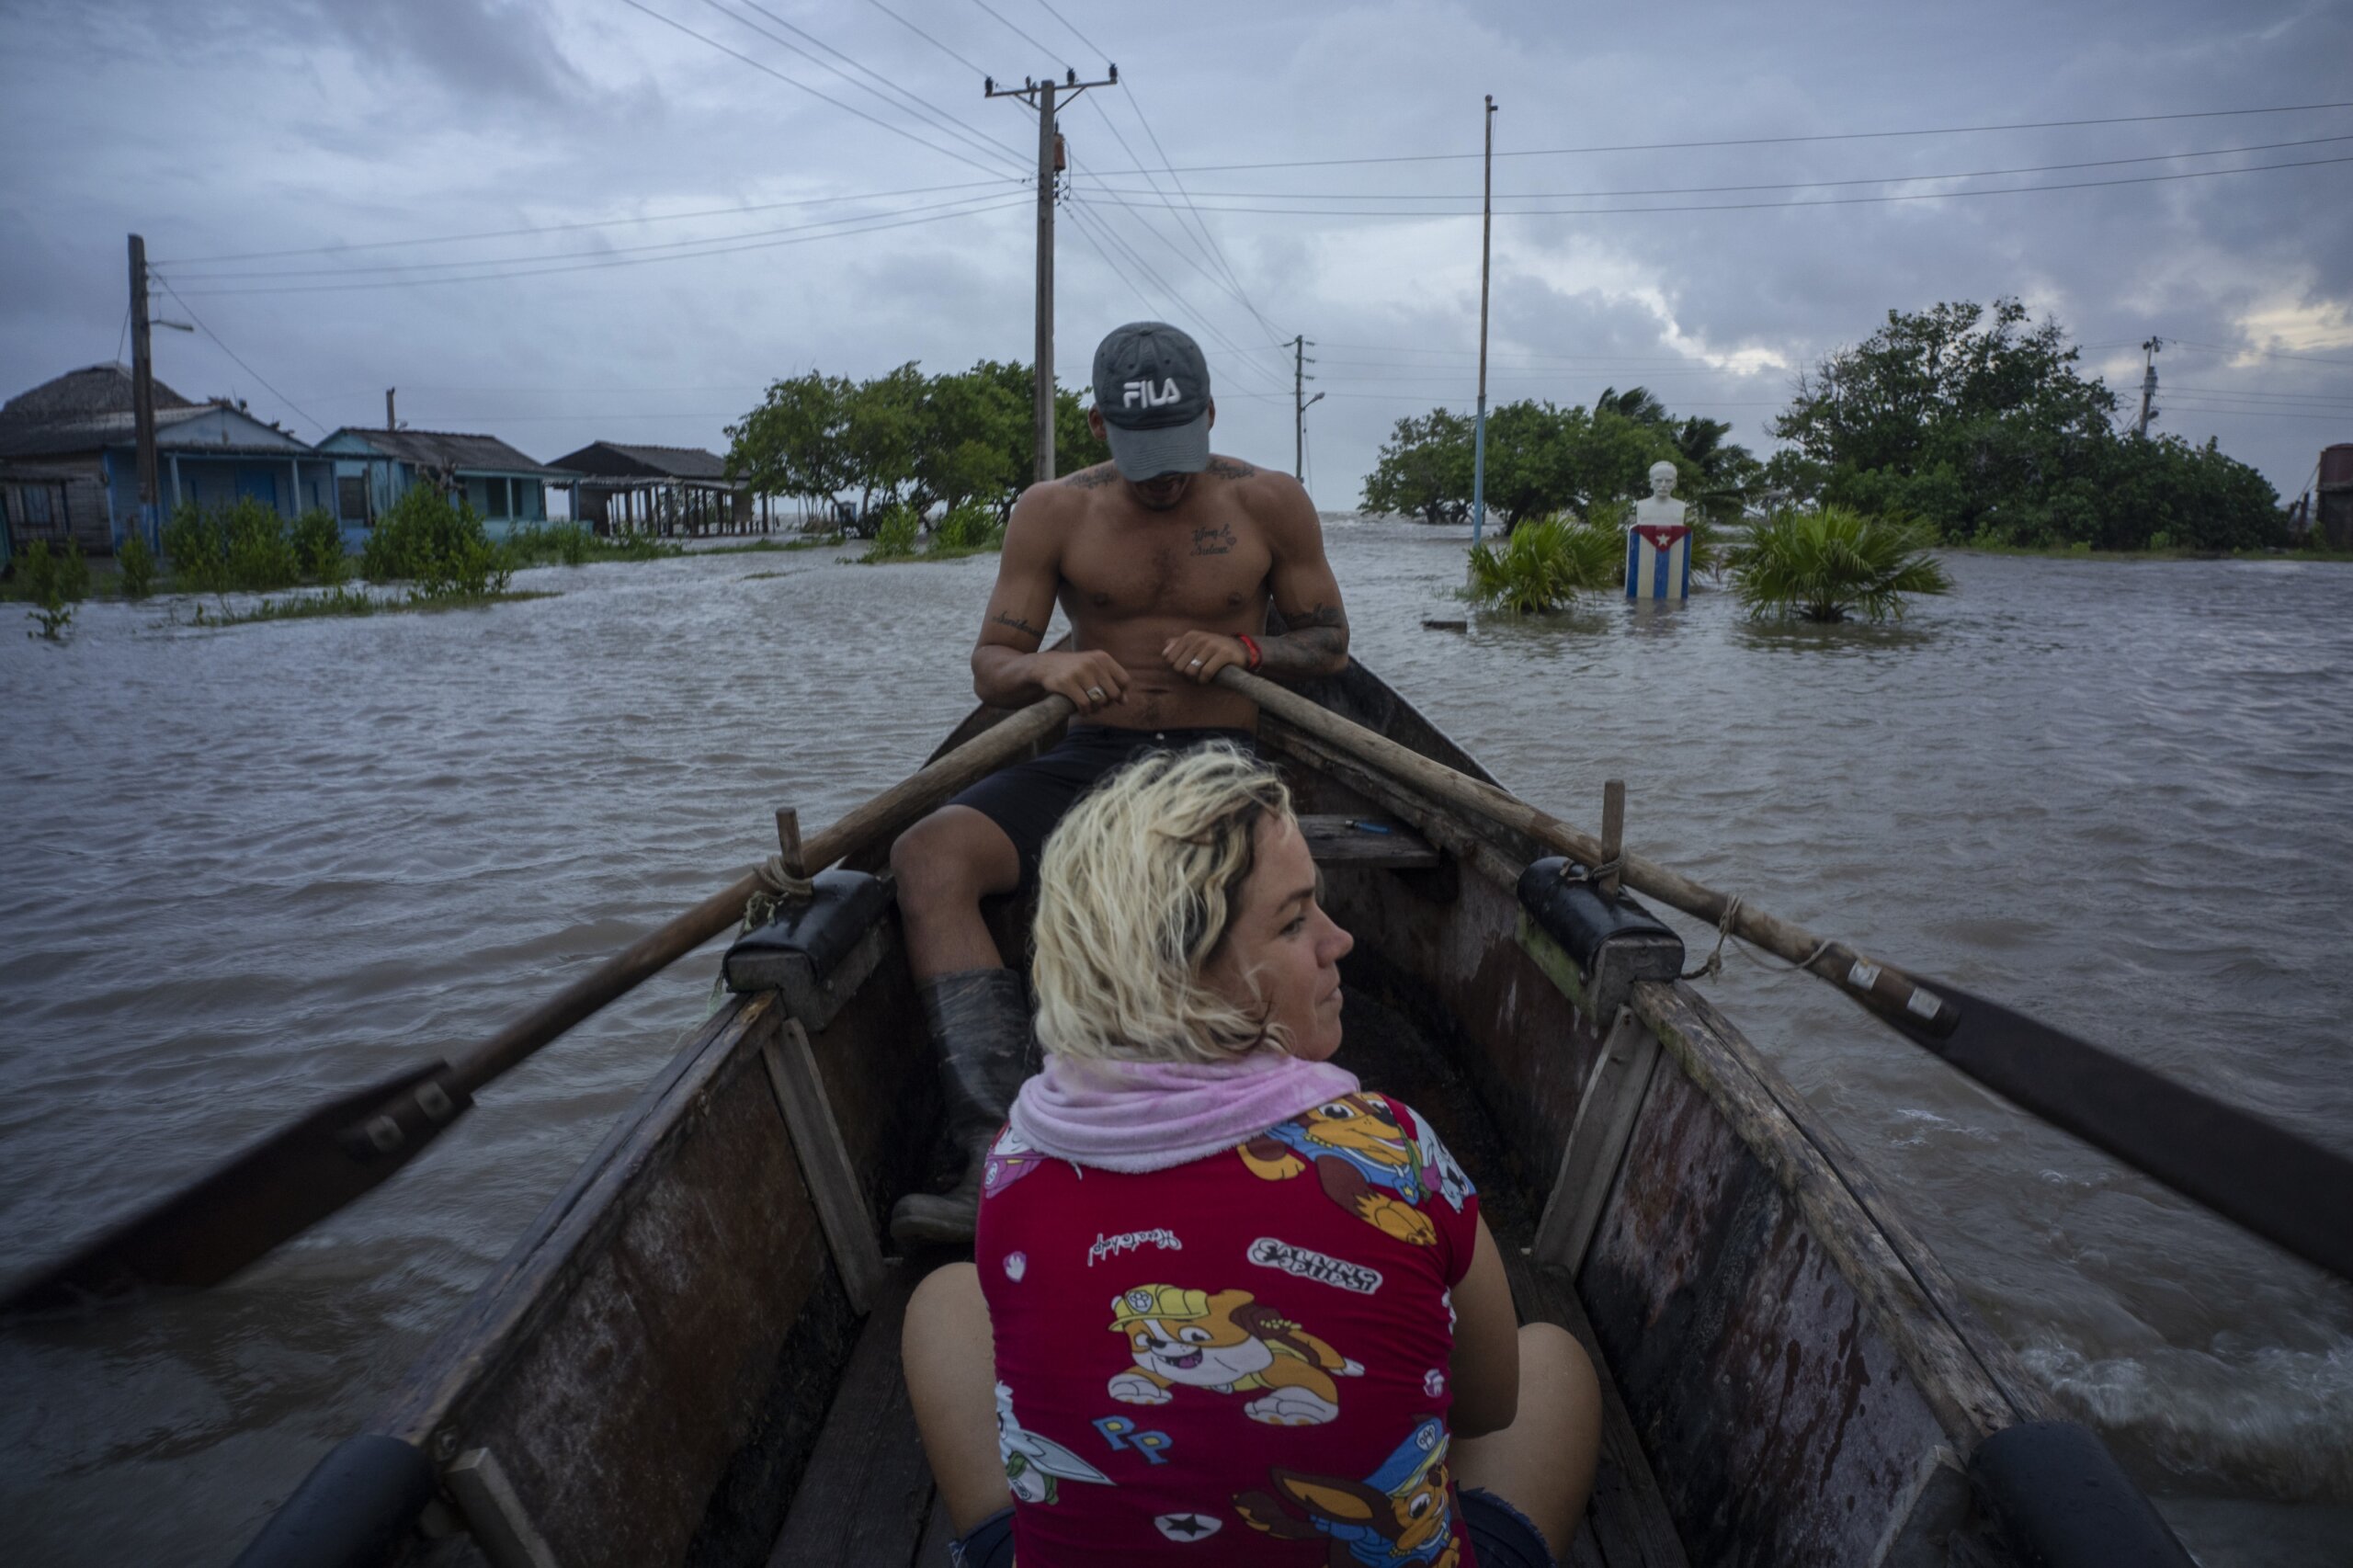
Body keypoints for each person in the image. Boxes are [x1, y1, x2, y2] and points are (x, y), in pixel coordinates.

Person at [904, 747, 1603, 1566]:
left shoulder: (1016, 1159)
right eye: (1295, 919)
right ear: (1187, 972)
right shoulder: (1392, 1151)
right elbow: (1485, 1406)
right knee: (1552, 1362)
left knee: (945, 1302)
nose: (1339, 938)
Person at [886, 322, 1350, 1245]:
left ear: (1210, 415)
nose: (1162, 481)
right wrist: (1047, 673)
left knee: (1200, 884)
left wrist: (1246, 647)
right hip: (1093, 756)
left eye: (1177, 455)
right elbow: (991, 663)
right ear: (1097, 427)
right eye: (1141, 458)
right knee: (927, 855)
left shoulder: (1270, 502)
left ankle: (1269, 1128)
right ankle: (994, 1141)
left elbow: (1330, 643)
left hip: (1220, 762)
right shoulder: (1052, 511)